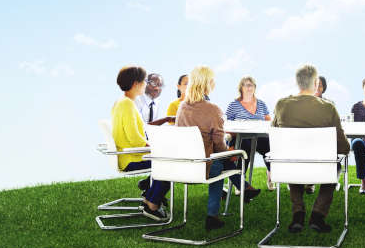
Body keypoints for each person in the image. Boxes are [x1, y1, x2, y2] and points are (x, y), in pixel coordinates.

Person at [175, 66, 258, 231]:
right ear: (207, 84)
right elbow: (220, 146)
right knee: (221, 163)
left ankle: (245, 188)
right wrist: (231, 152)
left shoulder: (182, 108)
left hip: (183, 165)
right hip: (205, 166)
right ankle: (212, 216)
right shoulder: (213, 110)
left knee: (219, 160)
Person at [271, 64, 350, 233]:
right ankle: (318, 215)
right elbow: (343, 147)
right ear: (316, 83)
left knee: (292, 158)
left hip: (290, 168)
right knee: (336, 165)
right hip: (322, 169)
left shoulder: (281, 105)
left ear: (298, 83)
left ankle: (298, 213)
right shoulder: (328, 108)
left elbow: (275, 137)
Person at [111, 66, 171, 221]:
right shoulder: (128, 104)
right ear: (136, 83)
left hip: (127, 156)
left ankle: (149, 198)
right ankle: (152, 204)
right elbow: (134, 138)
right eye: (145, 81)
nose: (146, 84)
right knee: (169, 164)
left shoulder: (121, 102)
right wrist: (154, 148)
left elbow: (138, 132)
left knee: (164, 159)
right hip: (131, 158)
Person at [225, 76, 274, 190]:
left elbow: (268, 122)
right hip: (239, 137)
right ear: (241, 88)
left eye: (251, 85)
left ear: (254, 88)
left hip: (259, 137)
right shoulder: (233, 105)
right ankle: (241, 183)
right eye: (246, 85)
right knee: (245, 146)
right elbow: (226, 125)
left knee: (270, 145)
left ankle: (273, 175)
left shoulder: (261, 104)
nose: (249, 87)